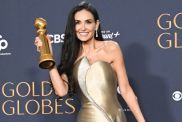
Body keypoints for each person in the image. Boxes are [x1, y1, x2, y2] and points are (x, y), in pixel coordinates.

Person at [34, 1, 145, 122]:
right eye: (77, 23)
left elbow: (126, 90)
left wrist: (141, 121)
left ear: (96, 25)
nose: (83, 27)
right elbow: (61, 91)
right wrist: (49, 58)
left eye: (88, 22)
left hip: (115, 118)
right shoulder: (72, 56)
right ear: (73, 27)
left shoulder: (112, 48)